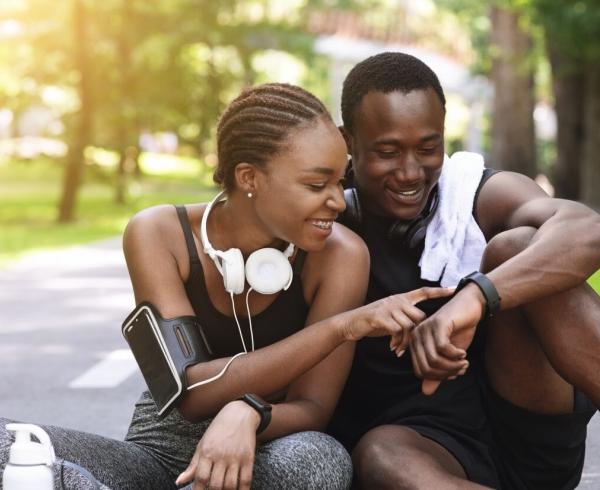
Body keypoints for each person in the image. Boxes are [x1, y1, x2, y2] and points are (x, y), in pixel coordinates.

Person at [0, 82, 452, 490]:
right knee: (9, 444)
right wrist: (341, 328)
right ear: (249, 177)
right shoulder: (159, 234)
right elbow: (191, 396)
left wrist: (250, 412)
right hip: (160, 452)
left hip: (269, 446)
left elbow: (314, 407)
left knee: (320, 460)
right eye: (317, 184)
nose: (337, 201)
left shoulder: (341, 255)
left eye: (340, 181)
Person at [327, 52, 600, 490]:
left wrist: (476, 296)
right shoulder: (322, 212)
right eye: (388, 151)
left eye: (428, 147)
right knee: (380, 456)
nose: (411, 171)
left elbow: (588, 229)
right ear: (348, 141)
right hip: (425, 444)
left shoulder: (476, 195)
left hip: (529, 428)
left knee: (517, 246)